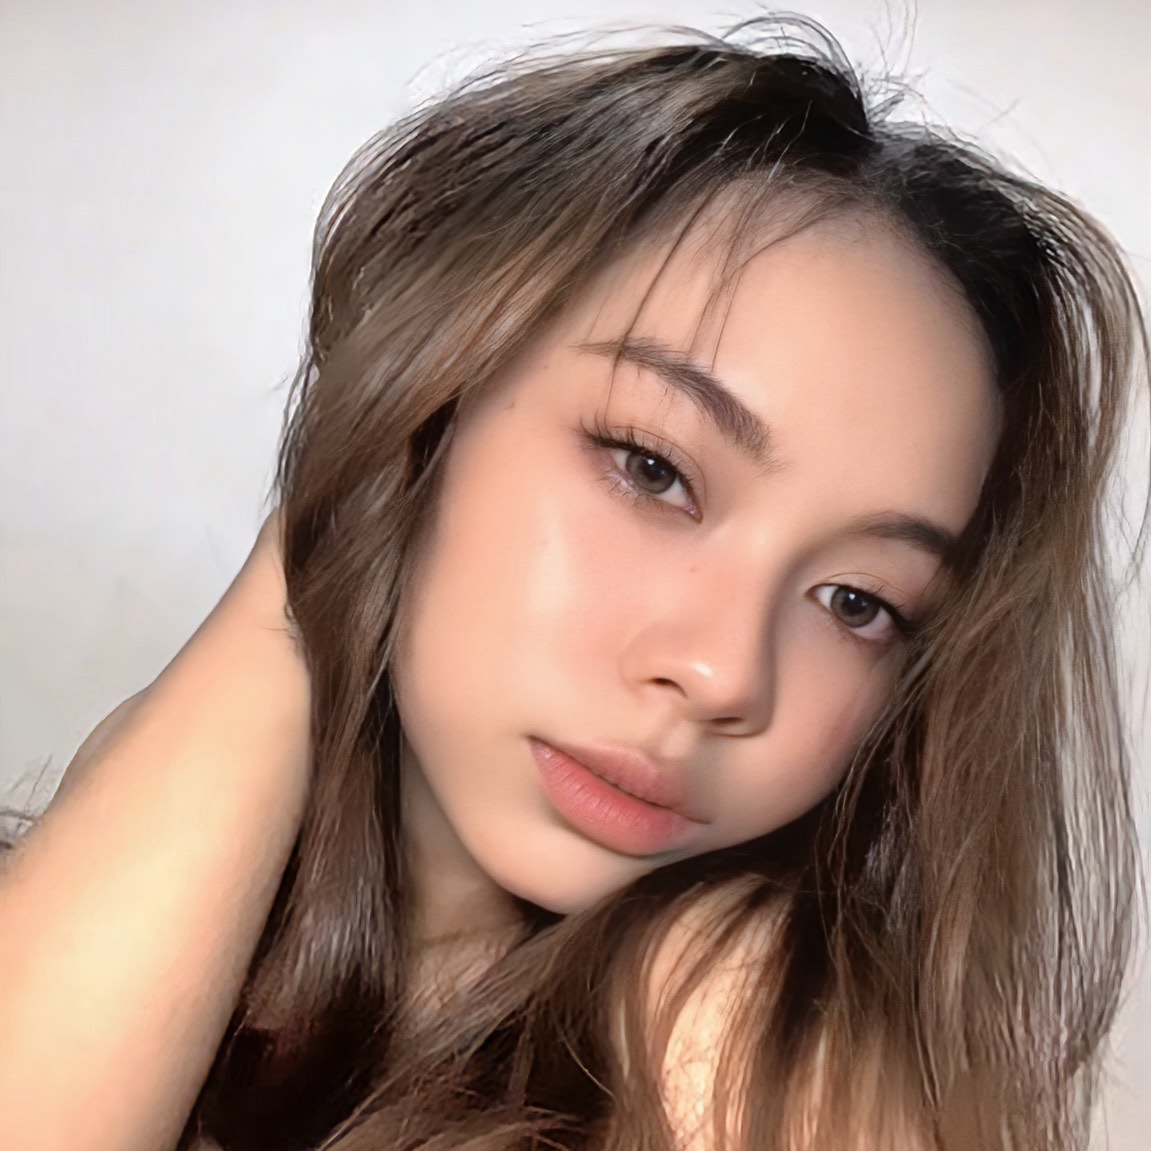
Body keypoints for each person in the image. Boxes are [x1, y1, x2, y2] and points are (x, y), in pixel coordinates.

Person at [0, 17, 1144, 1151]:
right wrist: (330, 519)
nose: (720, 672)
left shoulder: (727, 1043)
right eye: (652, 469)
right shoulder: (172, 828)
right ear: (431, 400)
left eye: (858, 602)